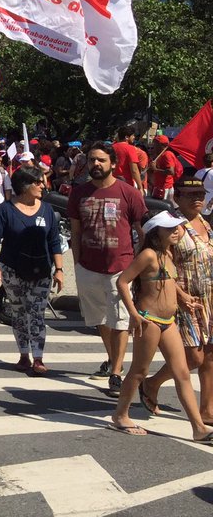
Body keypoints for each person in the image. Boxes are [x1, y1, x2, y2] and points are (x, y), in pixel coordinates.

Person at [108, 211, 213, 443]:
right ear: (156, 234)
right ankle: (120, 415)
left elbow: (169, 281)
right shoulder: (148, 255)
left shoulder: (168, 253)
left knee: (183, 372)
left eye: (177, 227)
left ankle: (198, 428)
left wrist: (184, 298)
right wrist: (134, 315)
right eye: (170, 228)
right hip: (149, 319)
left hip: (169, 321)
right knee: (139, 371)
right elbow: (122, 281)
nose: (176, 231)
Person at [68, 142, 147, 396]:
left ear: (112, 163)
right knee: (100, 320)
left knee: (121, 320)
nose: (96, 164)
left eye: (101, 160)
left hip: (120, 269)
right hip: (88, 267)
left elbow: (142, 232)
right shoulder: (79, 193)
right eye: (92, 160)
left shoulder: (128, 193)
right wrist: (77, 264)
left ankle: (115, 373)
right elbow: (76, 231)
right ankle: (114, 360)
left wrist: (138, 265)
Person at [140, 177, 213, 423]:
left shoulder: (206, 223)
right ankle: (151, 383)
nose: (198, 198)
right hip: (183, 298)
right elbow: (162, 263)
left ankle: (207, 410)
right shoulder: (172, 226)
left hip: (208, 299)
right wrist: (180, 295)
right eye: (191, 194)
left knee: (210, 356)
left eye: (201, 193)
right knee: (193, 357)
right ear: (177, 197)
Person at [0, 165, 64, 375]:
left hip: (41, 270)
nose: (42, 185)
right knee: (19, 312)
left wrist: (59, 269)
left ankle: (38, 357)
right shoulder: (6, 209)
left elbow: (54, 241)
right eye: (37, 182)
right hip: (13, 269)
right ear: (24, 185)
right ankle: (23, 355)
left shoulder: (47, 209)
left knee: (37, 313)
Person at [145, 137, 183, 202]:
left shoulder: (167, 154)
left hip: (165, 187)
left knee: (163, 207)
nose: (153, 145)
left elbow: (171, 171)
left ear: (160, 144)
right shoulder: (160, 155)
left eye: (155, 143)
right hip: (159, 187)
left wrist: (155, 169)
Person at [112, 126, 148, 193]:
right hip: (126, 184)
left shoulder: (112, 148)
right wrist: (140, 187)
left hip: (112, 182)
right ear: (126, 137)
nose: (134, 137)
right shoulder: (130, 149)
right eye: (133, 135)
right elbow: (134, 170)